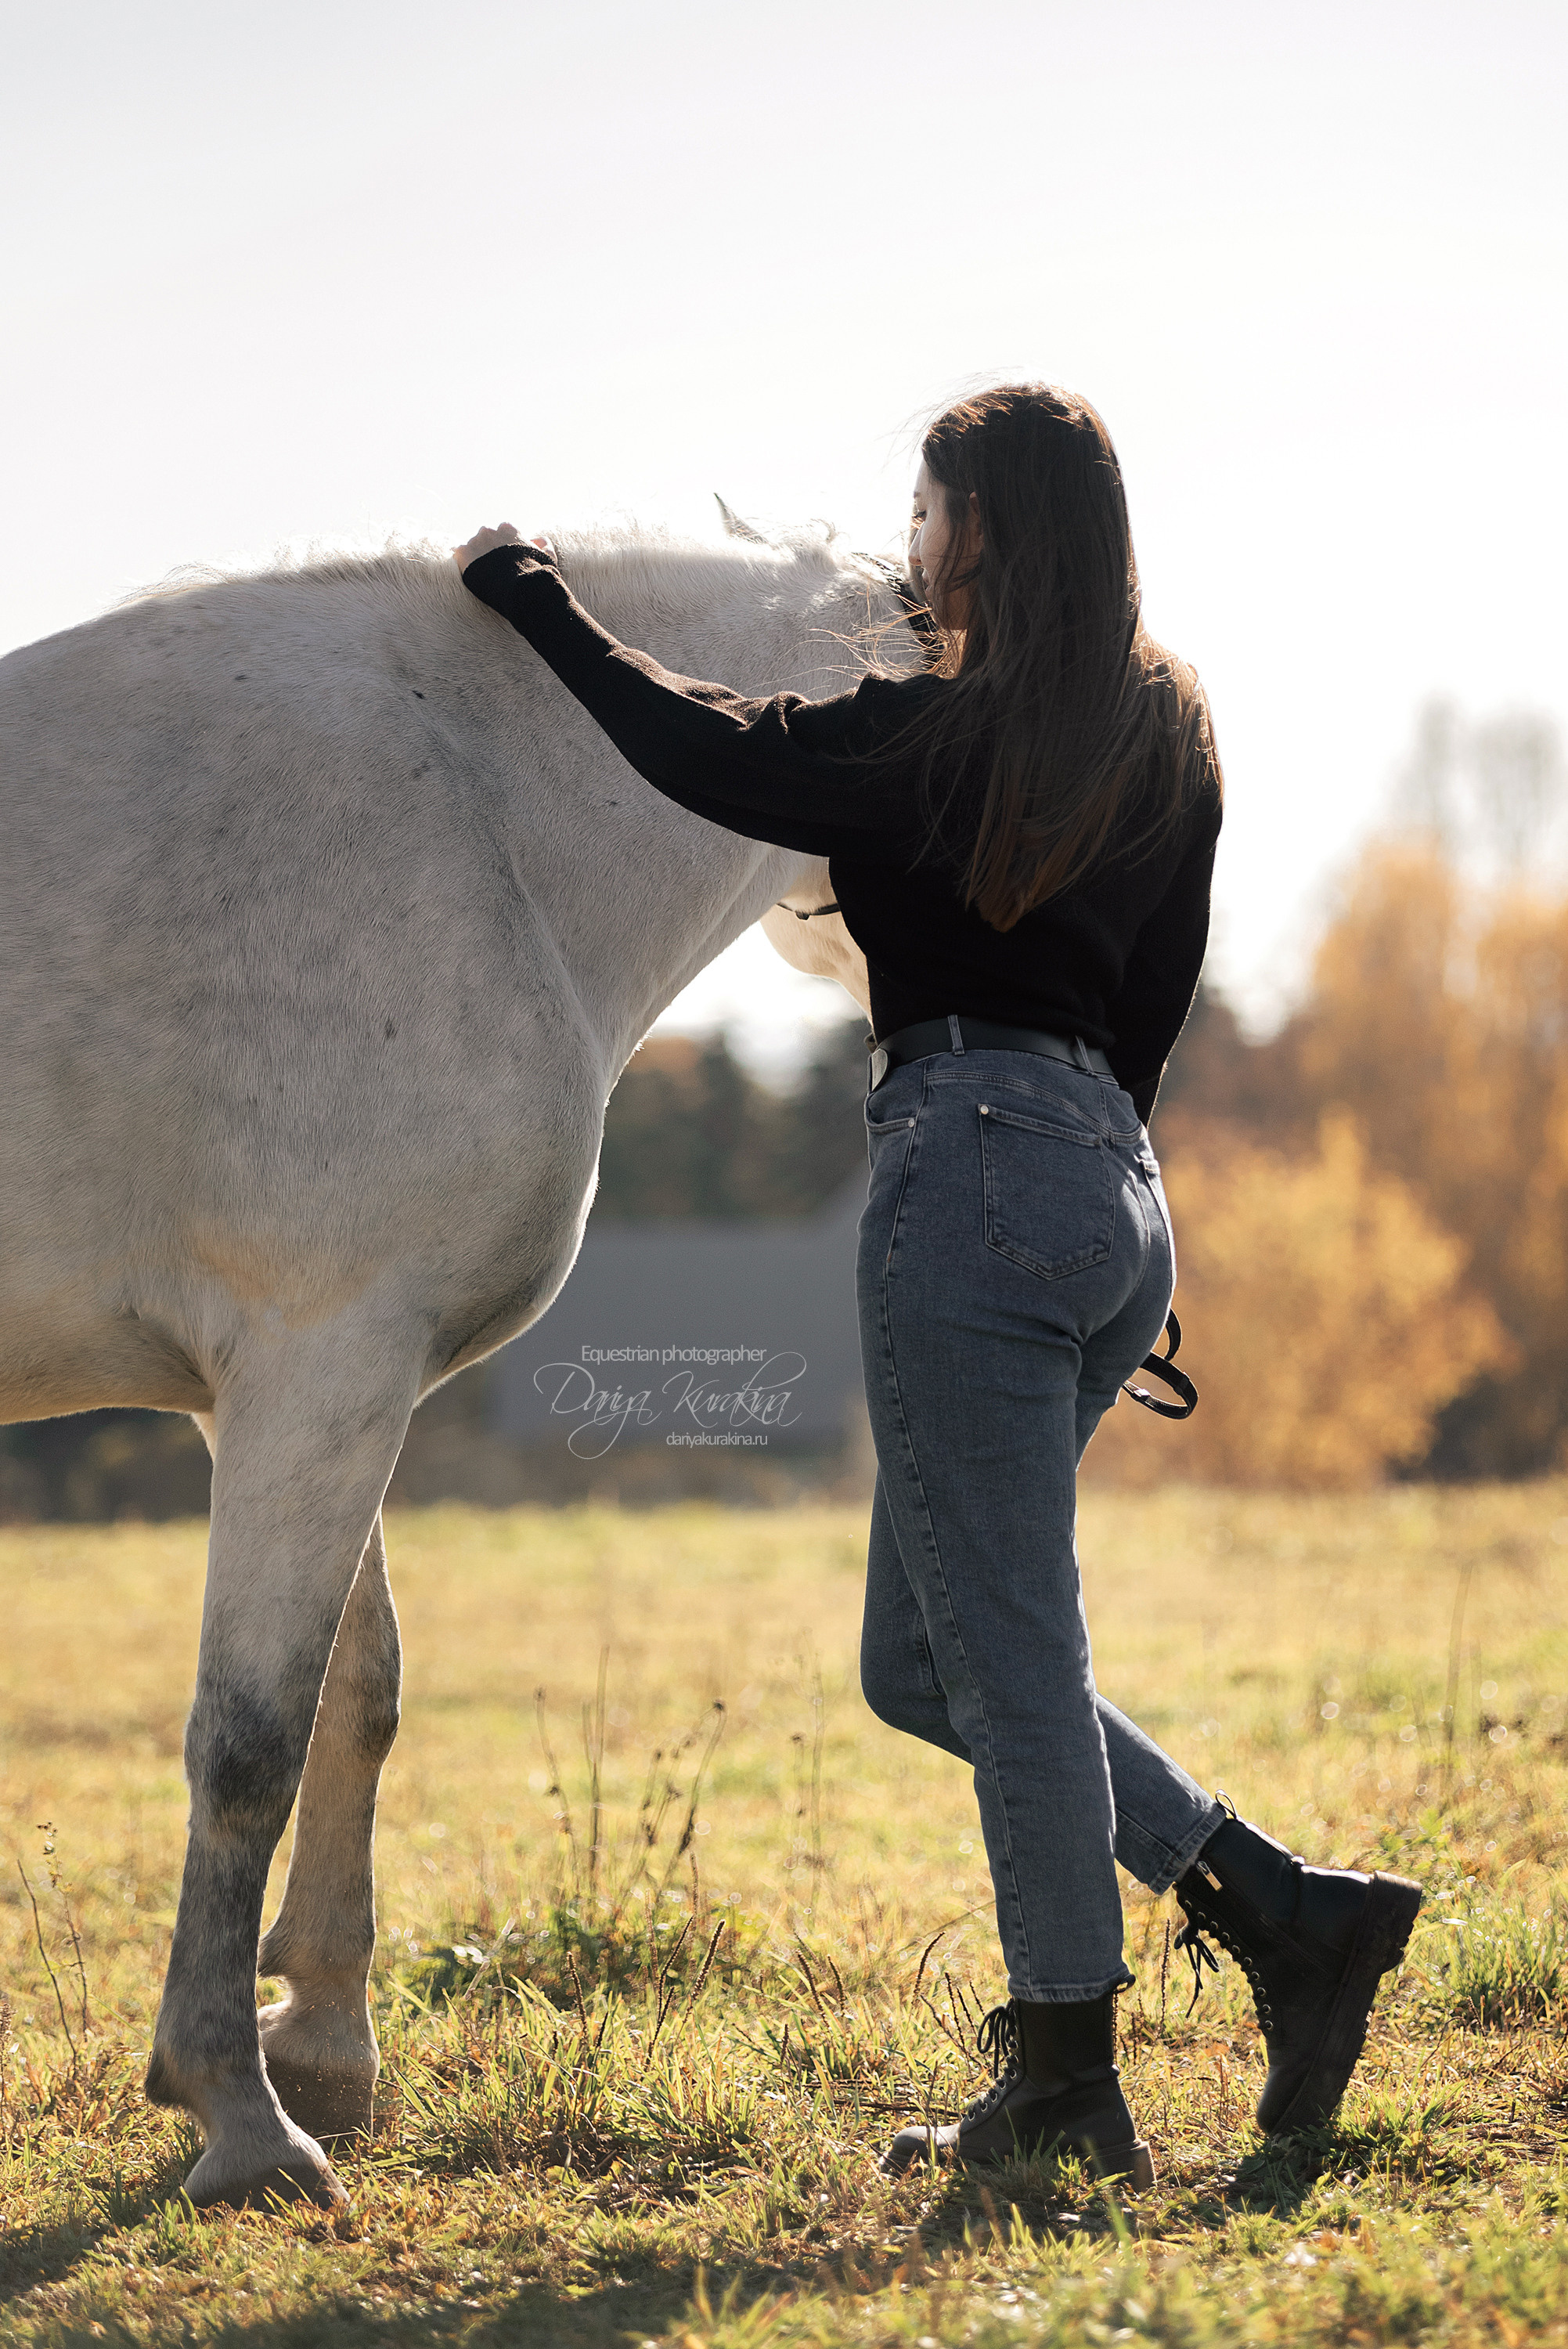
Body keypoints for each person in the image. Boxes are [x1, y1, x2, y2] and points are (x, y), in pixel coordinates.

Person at [455, 384, 1422, 2187]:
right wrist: (1088, 1193)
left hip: (972, 1169)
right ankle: (1290, 1918)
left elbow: (714, 749)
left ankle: (1066, 2085)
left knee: (1015, 1666)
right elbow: (1161, 992)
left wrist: (539, 604)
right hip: (1108, 1191)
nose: (913, 535)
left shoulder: (932, 736)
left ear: (981, 528)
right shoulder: (1169, 728)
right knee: (930, 1661)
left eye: (930, 504)